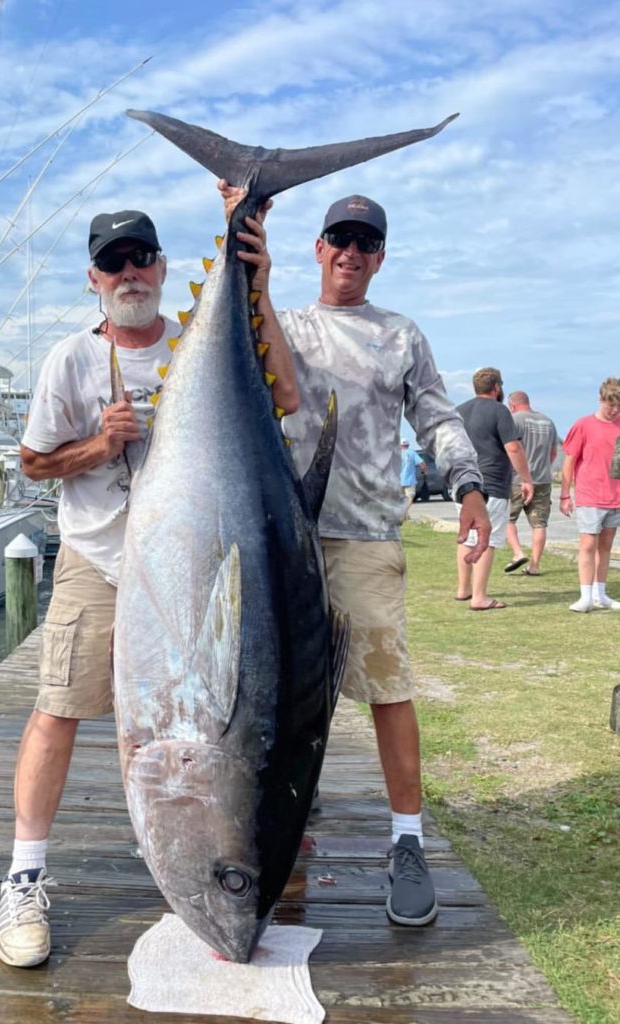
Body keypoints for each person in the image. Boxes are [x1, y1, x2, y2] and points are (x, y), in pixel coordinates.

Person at [0, 208, 300, 968]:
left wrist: (248, 250)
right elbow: (32, 462)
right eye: (113, 262)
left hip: (194, 580)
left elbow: (287, 400)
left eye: (141, 258)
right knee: (57, 710)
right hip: (99, 565)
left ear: (163, 269)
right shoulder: (70, 358)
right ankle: (23, 875)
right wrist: (102, 443)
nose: (129, 273)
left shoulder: (201, 345)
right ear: (94, 279)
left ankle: (268, 840)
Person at [219, 182, 490, 928]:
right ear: (318, 249)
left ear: (379, 256)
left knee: (386, 686)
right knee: (274, 697)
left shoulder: (400, 334)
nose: (350, 252)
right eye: (339, 238)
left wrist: (467, 484)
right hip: (282, 538)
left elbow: (435, 415)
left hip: (365, 534)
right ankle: (277, 822)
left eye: (365, 242)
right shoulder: (289, 322)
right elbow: (276, 386)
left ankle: (406, 842)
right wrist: (243, 239)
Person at [455, 369, 533, 609]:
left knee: (467, 536)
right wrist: (526, 478)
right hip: (492, 483)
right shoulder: (500, 411)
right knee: (487, 539)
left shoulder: (459, 411)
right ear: (497, 387)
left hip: (462, 483)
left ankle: (464, 588)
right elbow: (513, 448)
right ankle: (479, 597)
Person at [559, 377, 620, 612]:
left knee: (605, 546)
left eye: (618, 406)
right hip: (589, 496)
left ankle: (600, 594)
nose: (614, 410)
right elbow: (570, 460)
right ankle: (585, 596)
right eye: (610, 404)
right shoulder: (583, 425)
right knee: (587, 545)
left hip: (615, 497)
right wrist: (565, 494)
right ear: (600, 399)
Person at [503, 391, 559, 576]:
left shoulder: (514, 420)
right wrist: (544, 468)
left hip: (517, 479)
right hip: (543, 479)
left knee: (507, 519)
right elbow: (553, 452)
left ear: (512, 405)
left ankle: (518, 553)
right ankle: (534, 565)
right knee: (539, 523)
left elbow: (511, 449)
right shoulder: (548, 421)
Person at [399, 438, 427, 519]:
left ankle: (405, 516)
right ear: (408, 445)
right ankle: (403, 512)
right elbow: (422, 464)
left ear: (400, 446)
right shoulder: (412, 453)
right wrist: (425, 471)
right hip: (409, 480)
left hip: (398, 480)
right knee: (410, 498)